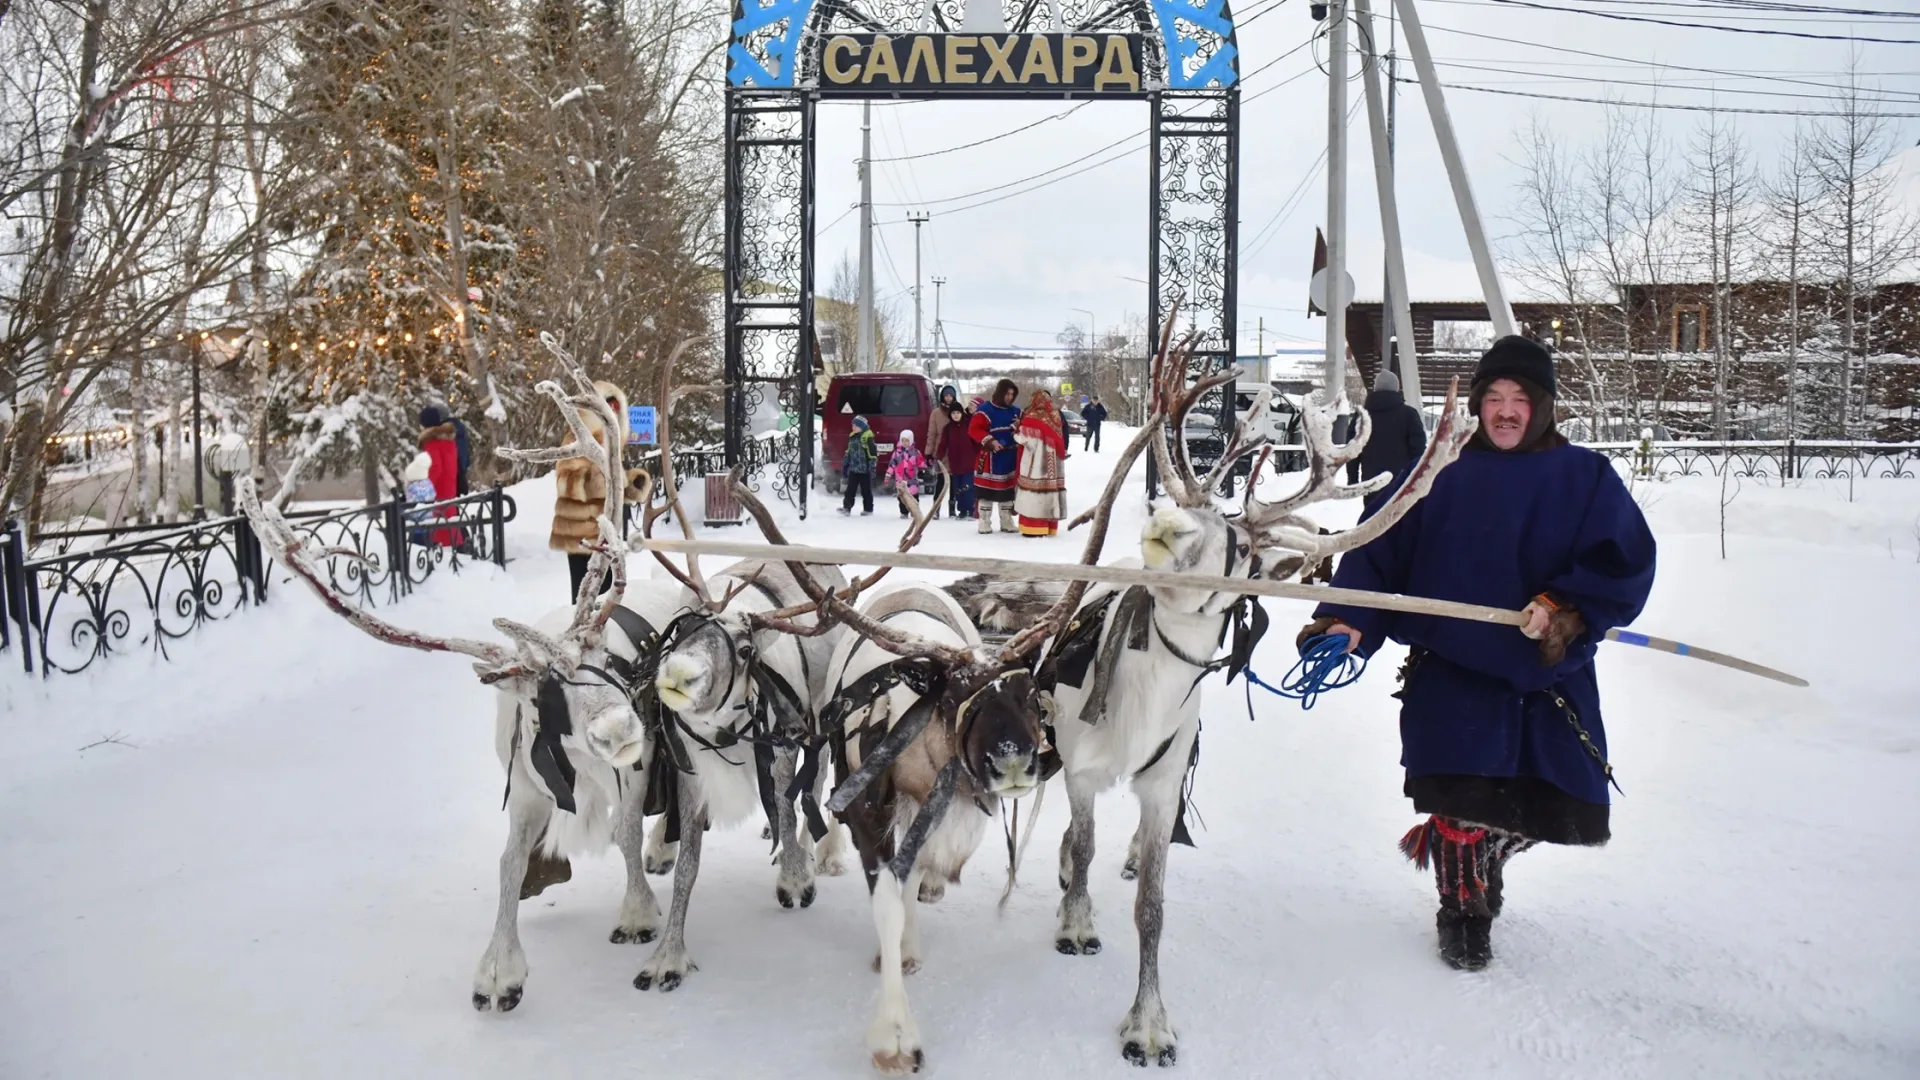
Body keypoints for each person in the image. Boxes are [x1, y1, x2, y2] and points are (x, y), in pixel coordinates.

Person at [1297, 335, 1656, 973]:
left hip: (1547, 675)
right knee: (1463, 798)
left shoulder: (1585, 478)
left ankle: (1477, 855)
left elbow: (1623, 563)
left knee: (1550, 805)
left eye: (1520, 398)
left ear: (1544, 406)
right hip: (1452, 670)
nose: (1506, 411)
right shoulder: (1439, 473)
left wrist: (1564, 608)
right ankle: (1463, 912)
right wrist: (1347, 619)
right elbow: (1377, 553)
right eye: (1494, 397)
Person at [549, 382, 644, 601]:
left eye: (615, 410)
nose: (612, 414)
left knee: (606, 595)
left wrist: (631, 485)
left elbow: (614, 485)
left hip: (605, 531)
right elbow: (568, 484)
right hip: (580, 533)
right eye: (607, 408)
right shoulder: (576, 439)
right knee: (585, 597)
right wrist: (604, 481)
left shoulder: (610, 443)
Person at [1347, 368, 1428, 518]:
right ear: (1396, 389)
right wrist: (1418, 478)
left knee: (1372, 522)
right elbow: (1418, 451)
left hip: (1371, 483)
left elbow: (1352, 451)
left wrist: (1353, 479)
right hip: (1401, 481)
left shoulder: (1361, 416)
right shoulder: (1408, 414)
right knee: (1400, 521)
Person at [1012, 388, 1068, 537]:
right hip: (1053, 464)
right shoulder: (1055, 415)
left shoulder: (1033, 416)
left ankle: (1033, 527)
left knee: (1034, 492)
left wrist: (1016, 433)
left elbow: (1027, 440)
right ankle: (1049, 527)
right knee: (1051, 490)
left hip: (1037, 464)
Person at [968, 379, 1021, 534]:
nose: (1010, 397)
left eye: (1012, 394)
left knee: (1008, 491)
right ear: (1000, 392)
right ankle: (984, 522)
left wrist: (1020, 425)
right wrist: (991, 441)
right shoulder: (985, 410)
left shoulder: (1016, 411)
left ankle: (1006, 521)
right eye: (1007, 394)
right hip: (990, 457)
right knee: (986, 491)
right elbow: (974, 429)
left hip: (1010, 456)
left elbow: (1026, 425)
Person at [417, 407, 465, 549]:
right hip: (449, 488)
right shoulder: (449, 441)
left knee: (440, 529)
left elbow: (434, 468)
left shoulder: (431, 443)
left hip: (438, 492)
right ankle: (460, 551)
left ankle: (450, 556)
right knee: (450, 525)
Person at [926, 385, 963, 517]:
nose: (948, 398)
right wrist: (929, 452)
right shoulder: (936, 413)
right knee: (940, 481)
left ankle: (952, 509)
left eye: (950, 395)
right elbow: (931, 433)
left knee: (954, 483)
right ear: (942, 397)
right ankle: (936, 509)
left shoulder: (958, 411)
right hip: (940, 452)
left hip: (954, 453)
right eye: (946, 395)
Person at [941, 395, 980, 520]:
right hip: (955, 464)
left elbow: (977, 442)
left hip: (969, 463)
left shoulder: (969, 425)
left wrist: (979, 456)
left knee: (968, 487)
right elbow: (942, 445)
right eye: (953, 413)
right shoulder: (947, 429)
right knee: (958, 489)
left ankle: (970, 510)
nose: (956, 415)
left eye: (958, 412)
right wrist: (936, 456)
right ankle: (962, 510)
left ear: (962, 413)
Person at [885, 428, 927, 518]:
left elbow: (921, 462)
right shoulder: (897, 453)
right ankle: (903, 512)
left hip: (912, 479)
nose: (905, 443)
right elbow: (892, 464)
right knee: (902, 497)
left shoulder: (915, 452)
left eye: (907, 441)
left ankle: (914, 511)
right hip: (900, 480)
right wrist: (888, 474)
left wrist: (923, 469)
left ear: (911, 440)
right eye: (903, 440)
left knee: (914, 496)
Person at [840, 415, 877, 516]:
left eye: (856, 426)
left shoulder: (867, 438)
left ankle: (868, 509)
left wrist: (872, 467)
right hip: (853, 469)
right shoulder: (852, 437)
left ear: (862, 427)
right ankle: (846, 508)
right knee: (850, 490)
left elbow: (872, 454)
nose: (853, 428)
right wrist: (845, 465)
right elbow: (849, 452)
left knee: (866, 491)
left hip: (865, 470)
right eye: (853, 425)